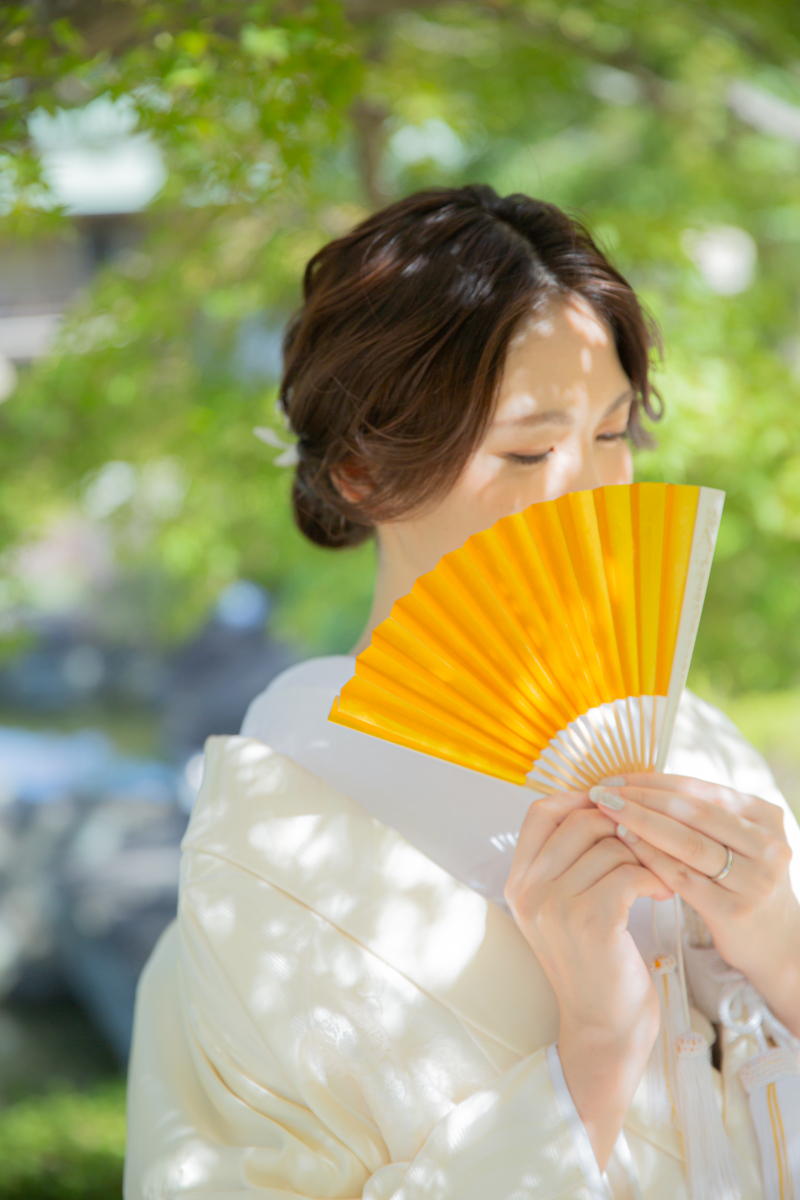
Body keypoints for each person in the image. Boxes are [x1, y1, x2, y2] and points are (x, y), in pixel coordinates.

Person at [125, 186, 800, 1199]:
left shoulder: (695, 740)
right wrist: (591, 1056)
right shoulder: (276, 843)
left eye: (612, 435)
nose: (585, 492)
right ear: (359, 468)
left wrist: (781, 957)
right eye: (525, 451)